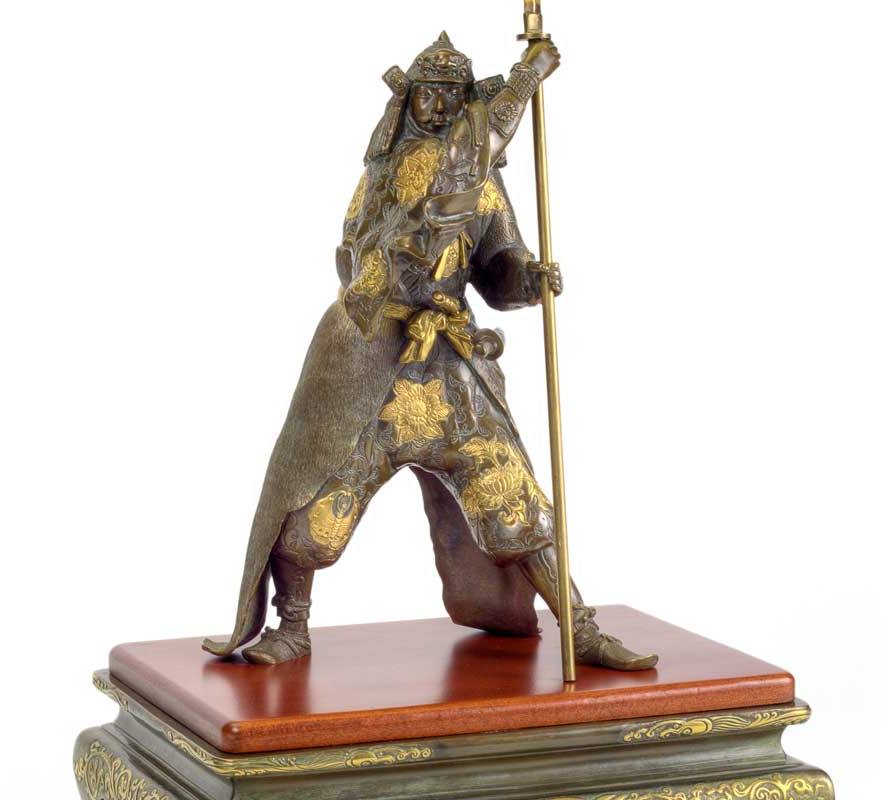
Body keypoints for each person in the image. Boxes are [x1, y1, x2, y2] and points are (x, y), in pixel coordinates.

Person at [203, 33, 658, 671]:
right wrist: (526, 78)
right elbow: (373, 249)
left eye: (451, 95)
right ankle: (293, 624)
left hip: (446, 366)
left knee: (512, 496)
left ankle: (578, 627)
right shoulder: (387, 175)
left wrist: (526, 278)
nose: (440, 107)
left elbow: (498, 268)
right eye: (428, 94)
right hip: (372, 362)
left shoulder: (483, 184)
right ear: (409, 100)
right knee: (316, 508)